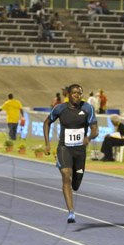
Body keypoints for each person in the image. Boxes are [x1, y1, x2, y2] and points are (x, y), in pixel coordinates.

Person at [43, 84, 99, 223]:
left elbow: (95, 130)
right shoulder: (60, 108)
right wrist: (47, 143)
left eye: (79, 93)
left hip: (80, 151)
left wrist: (89, 138)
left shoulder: (87, 108)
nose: (76, 95)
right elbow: (46, 123)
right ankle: (71, 212)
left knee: (76, 184)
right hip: (64, 148)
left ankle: (74, 183)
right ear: (68, 94)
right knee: (66, 175)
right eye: (74, 93)